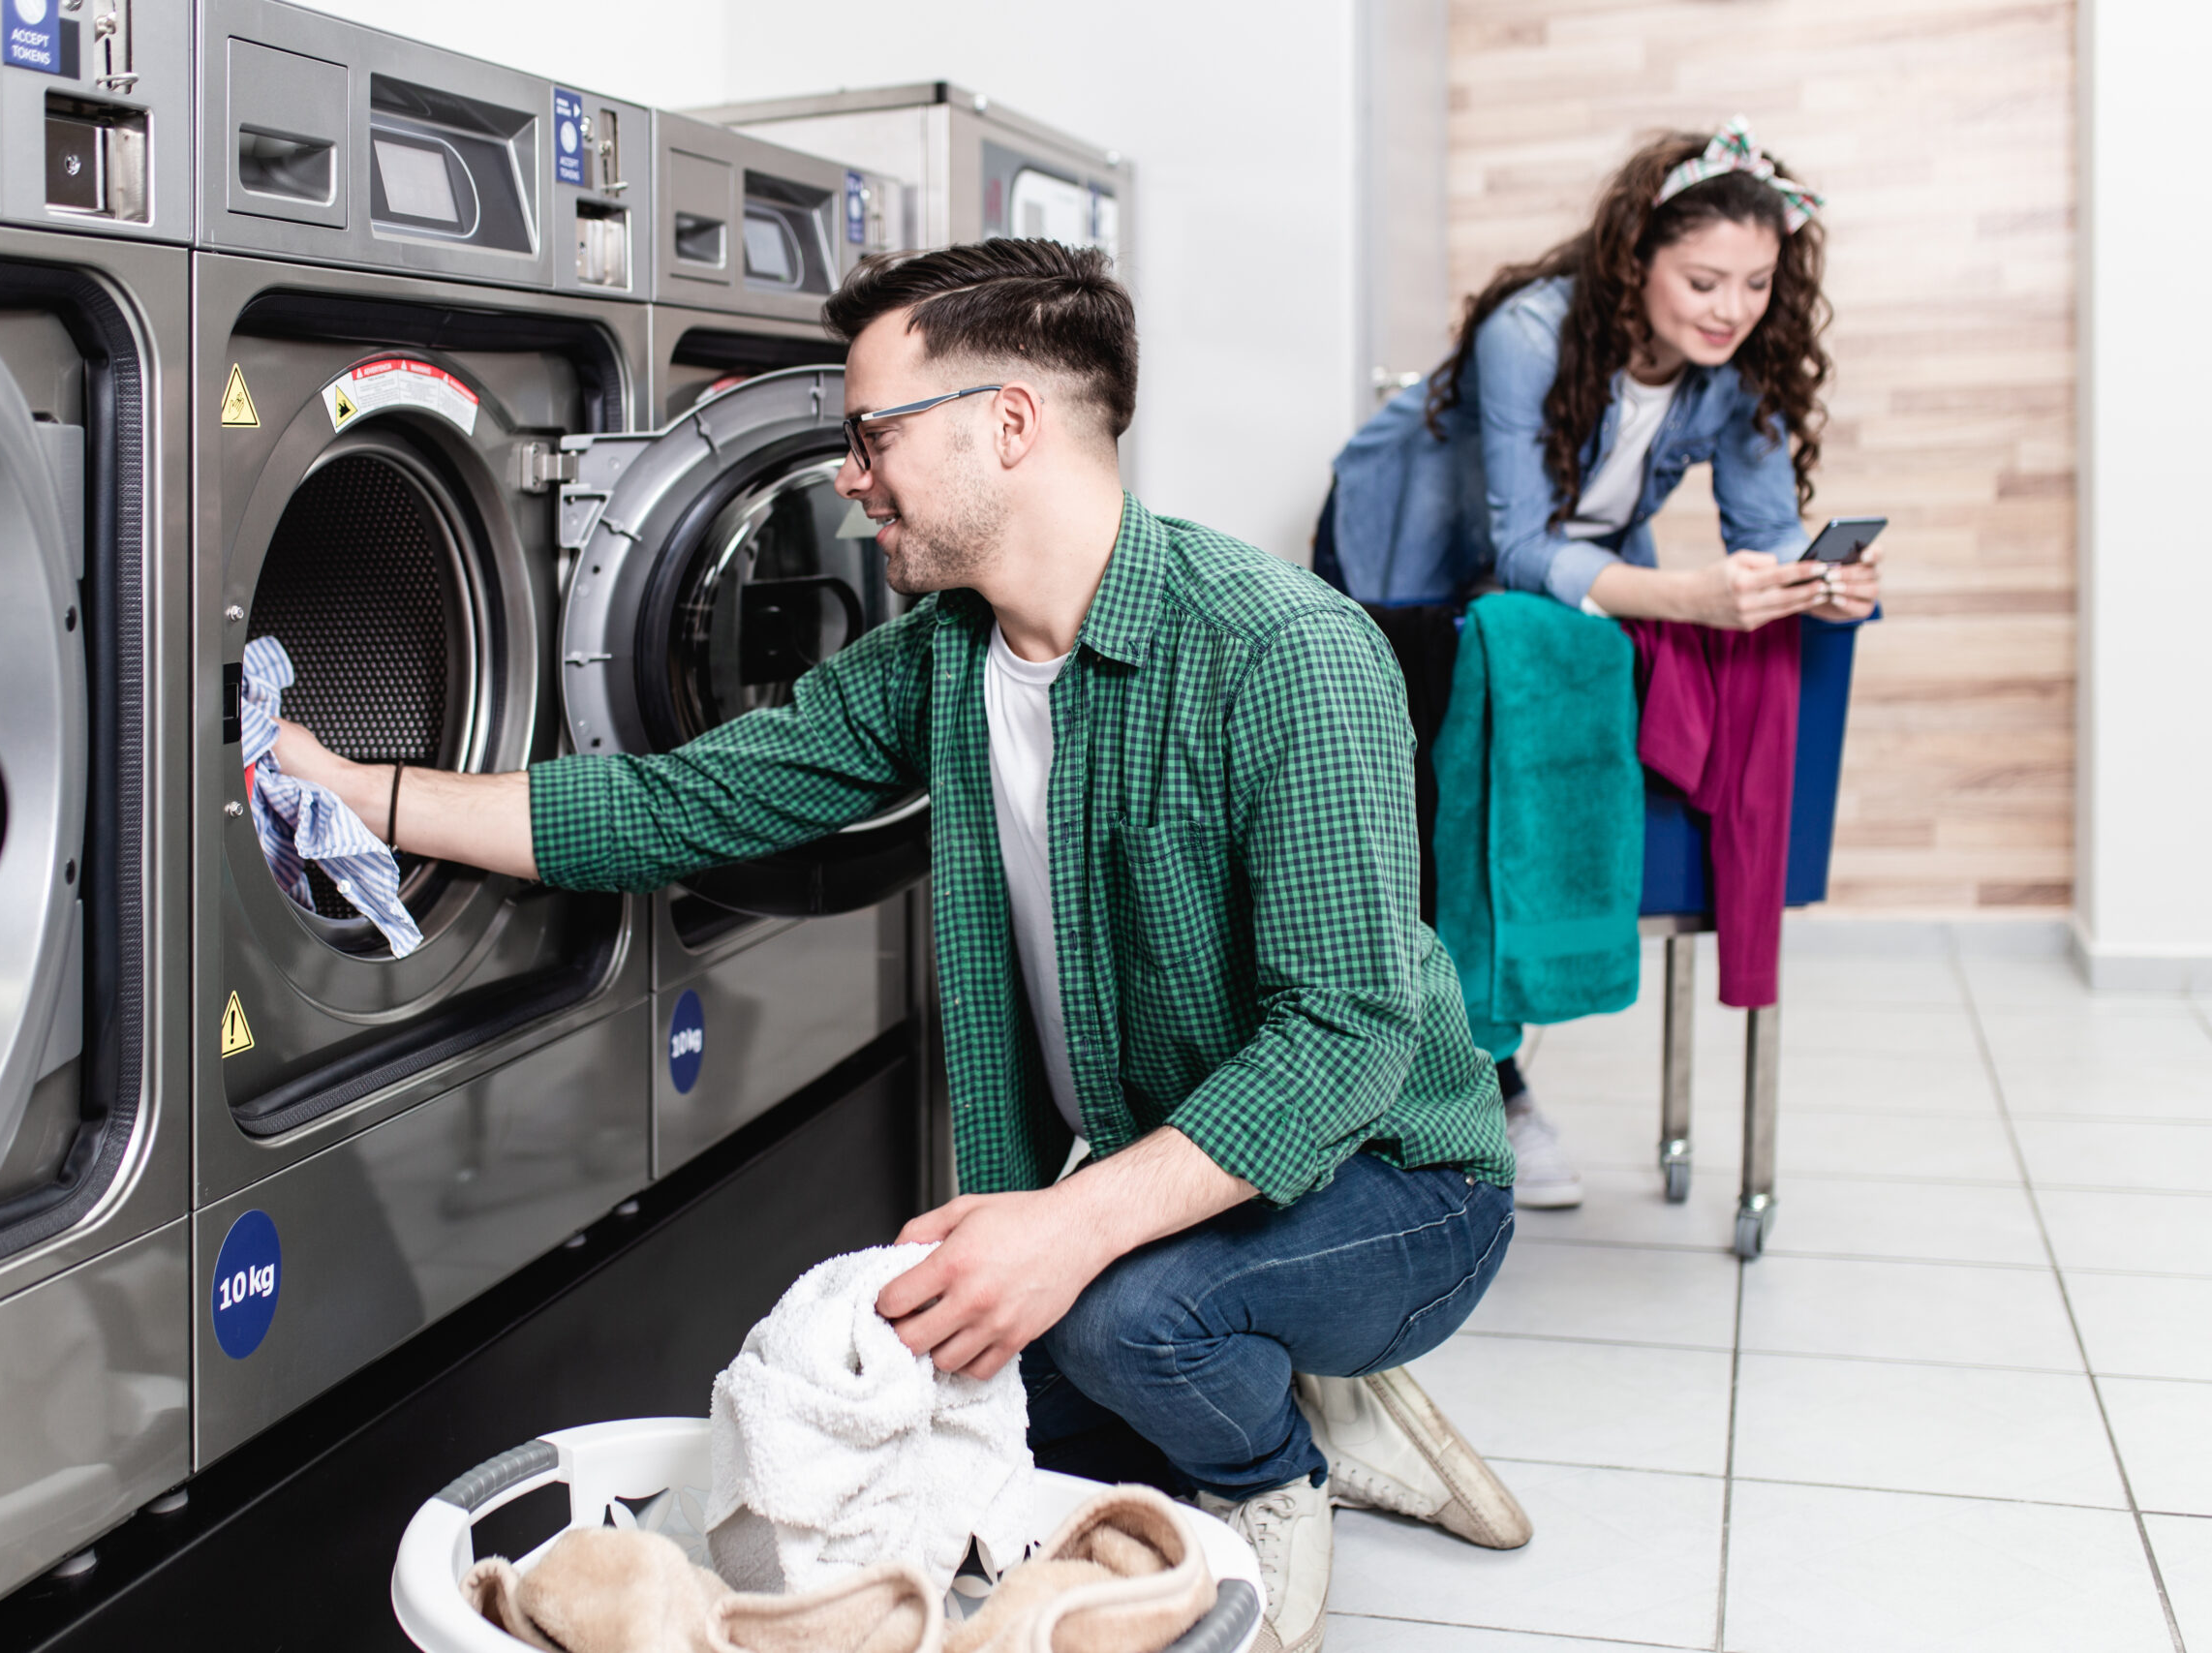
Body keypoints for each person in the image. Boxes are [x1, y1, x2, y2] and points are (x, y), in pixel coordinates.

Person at [274, 240, 1528, 1653]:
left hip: (1403, 1175)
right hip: (1191, 1158)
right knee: (959, 1407)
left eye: (870, 435)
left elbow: (1344, 1034)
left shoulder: (1283, 651)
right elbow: (682, 796)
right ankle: (1268, 1348)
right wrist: (364, 788)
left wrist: (1068, 1223)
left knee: (1119, 1315)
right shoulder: (943, 656)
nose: (848, 475)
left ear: (1009, 423)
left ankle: (1275, 1469)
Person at [1319, 118, 1881, 1211]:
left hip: (1547, 569)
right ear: (1637, 261)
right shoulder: (1532, 331)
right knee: (1419, 800)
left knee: (1520, 754)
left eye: (1757, 284)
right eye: (1704, 280)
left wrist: (1824, 587)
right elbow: (1523, 546)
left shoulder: (1737, 368)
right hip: (1407, 548)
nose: (1731, 309)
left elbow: (1761, 533)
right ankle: (1480, 1080)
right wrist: (1686, 597)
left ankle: (1480, 1073)